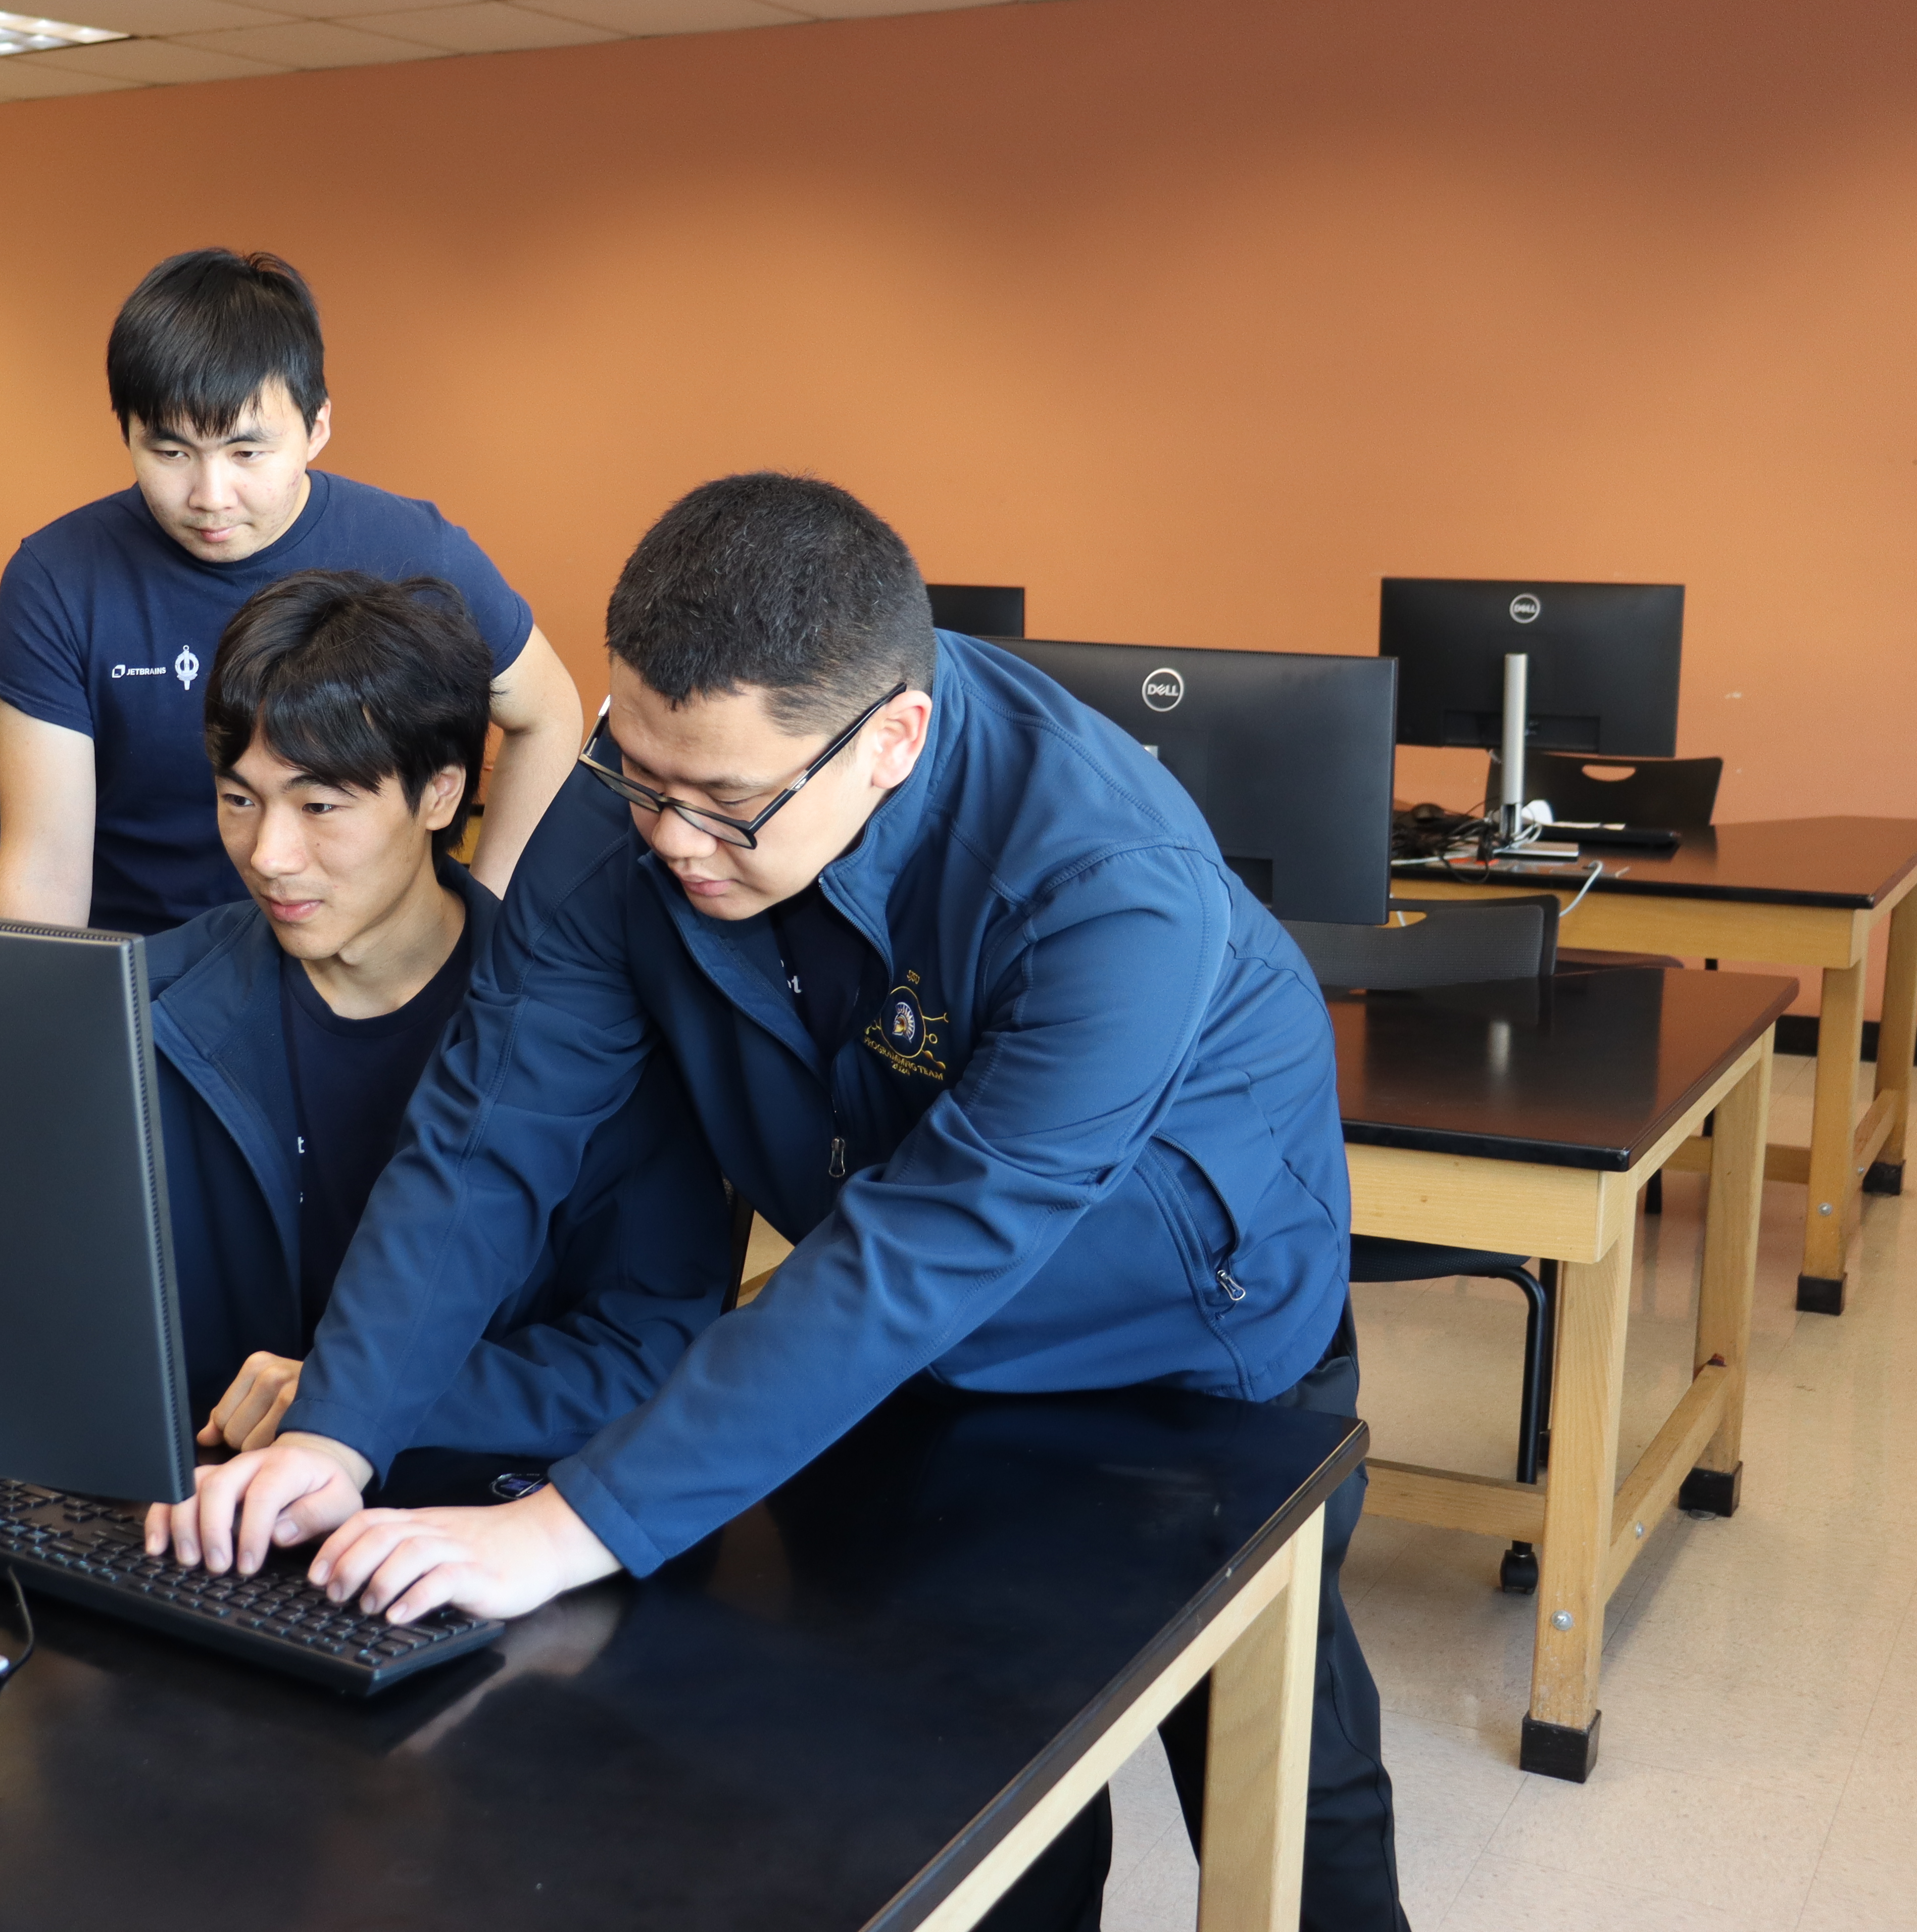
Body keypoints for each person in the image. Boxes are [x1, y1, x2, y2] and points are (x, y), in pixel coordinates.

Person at [151, 475, 1406, 1930]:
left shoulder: (1107, 889)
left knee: (1277, 1755)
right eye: (643, 773)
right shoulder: (634, 798)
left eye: (730, 805)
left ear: (894, 742)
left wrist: (564, 1528)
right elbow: (487, 1140)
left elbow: (921, 1251)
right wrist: (343, 1427)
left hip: (1192, 1354)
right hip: (890, 1343)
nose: (673, 838)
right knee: (963, 1764)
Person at [152, 568, 731, 1467]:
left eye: (319, 806)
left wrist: (357, 1403)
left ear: (439, 794)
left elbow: (645, 1349)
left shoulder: (591, 1036)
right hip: (190, 1505)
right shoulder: (146, 1007)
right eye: (239, 799)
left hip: (467, 1526)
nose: (269, 854)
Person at [0, 248, 583, 935]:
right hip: (153, 979)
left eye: (247, 453)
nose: (209, 497)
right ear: (129, 433)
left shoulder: (417, 551)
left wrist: (491, 923)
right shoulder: (58, 578)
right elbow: (46, 869)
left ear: (316, 428)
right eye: (171, 454)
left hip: (368, 975)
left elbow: (549, 714)